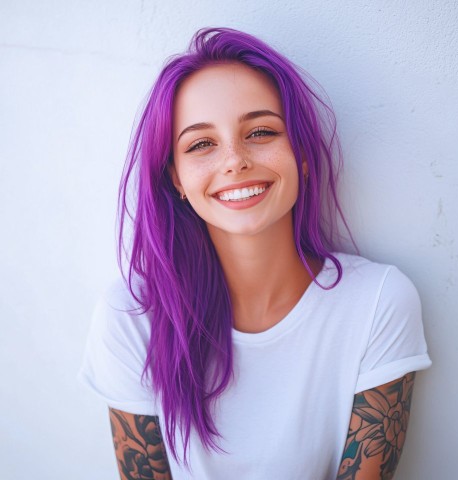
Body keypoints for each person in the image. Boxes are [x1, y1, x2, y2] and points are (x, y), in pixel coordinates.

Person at [78, 27, 432, 480]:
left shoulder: (379, 303)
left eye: (261, 131)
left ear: (301, 153)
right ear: (176, 179)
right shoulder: (130, 316)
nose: (234, 160)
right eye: (201, 143)